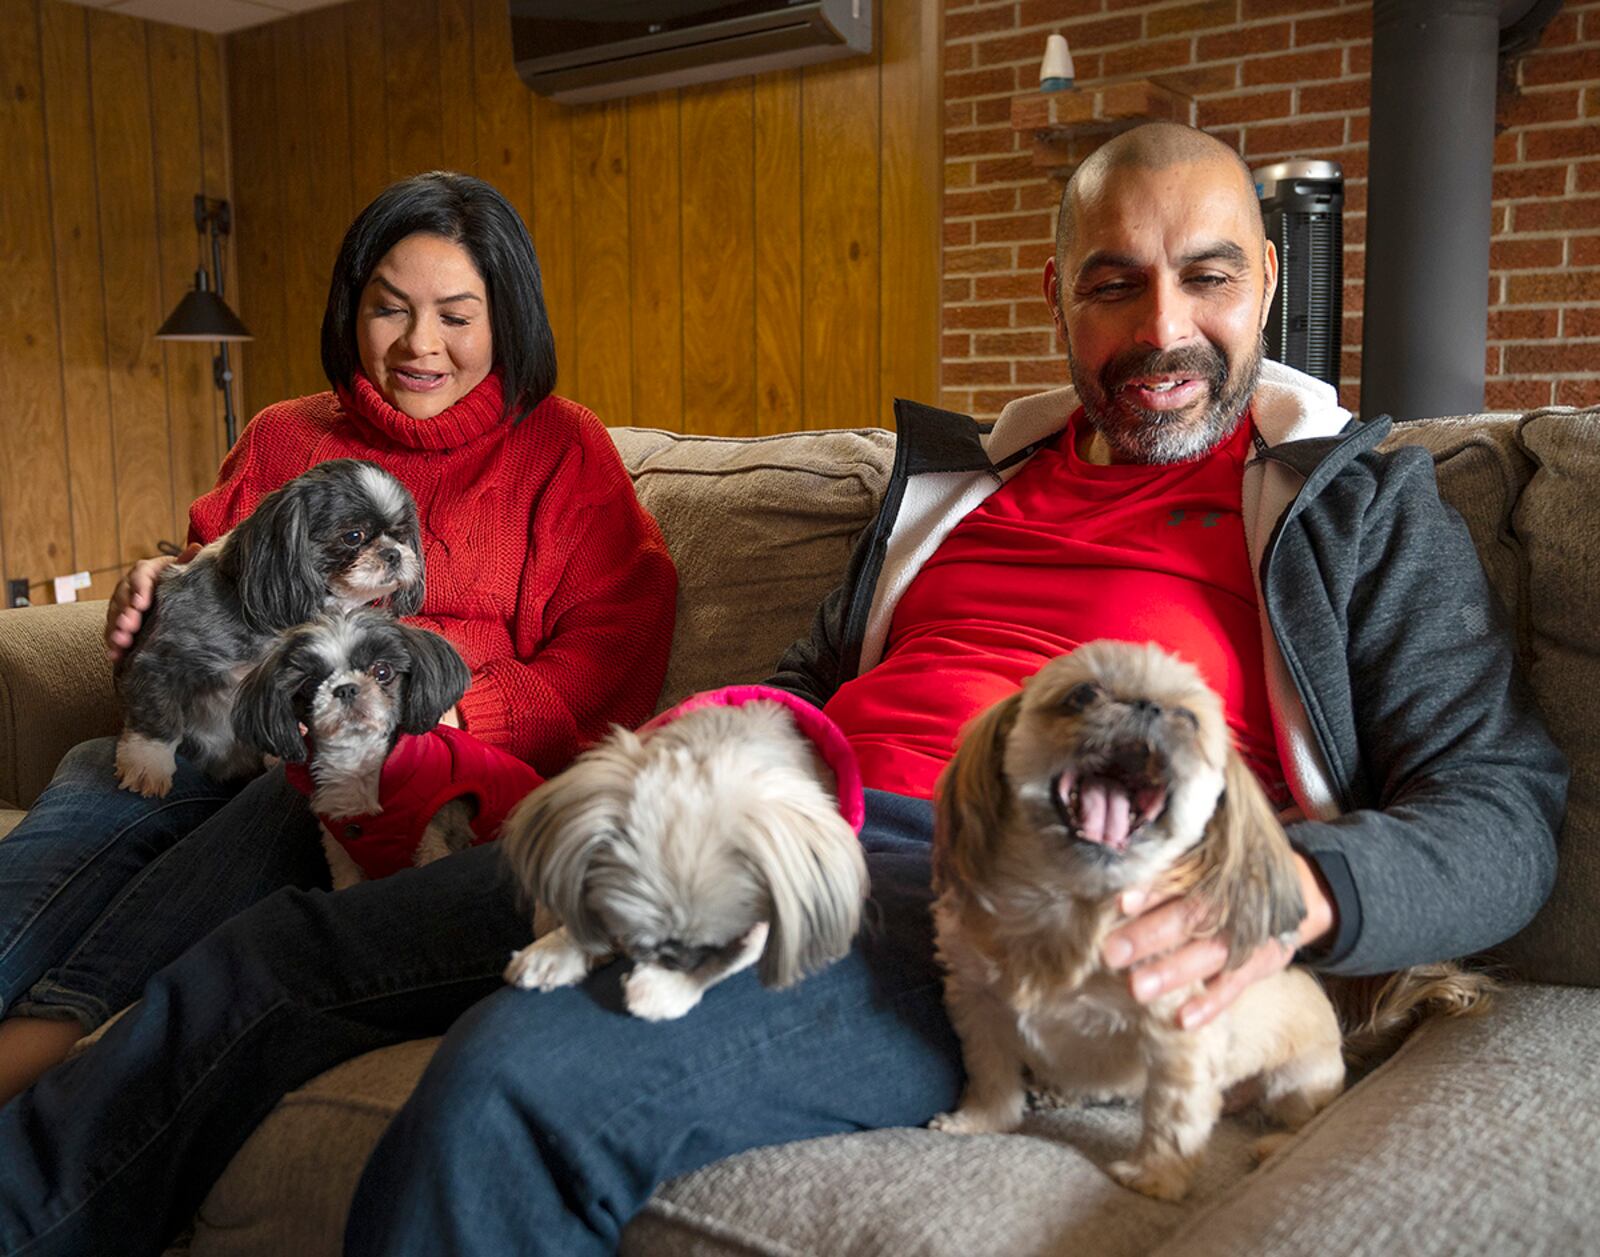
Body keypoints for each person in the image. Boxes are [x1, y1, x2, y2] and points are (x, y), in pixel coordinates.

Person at [0, 125, 1563, 1257]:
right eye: (1114, 283)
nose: (1163, 327)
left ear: (1266, 284)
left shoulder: (1356, 505)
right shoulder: (959, 490)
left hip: (956, 893)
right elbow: (818, 674)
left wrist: (1306, 891)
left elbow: (1505, 812)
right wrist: (686, 748)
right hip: (754, 808)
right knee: (270, 957)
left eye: (1205, 278)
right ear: (1057, 297)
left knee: (515, 1088)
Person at [0, 171, 676, 1107]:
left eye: (456, 314)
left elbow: (605, 662)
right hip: (226, 729)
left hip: (374, 754)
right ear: (352, 308)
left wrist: (423, 708)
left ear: (508, 318)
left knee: (314, 787)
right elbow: (212, 592)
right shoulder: (283, 436)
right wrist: (155, 602)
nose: (419, 344)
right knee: (92, 775)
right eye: (390, 309)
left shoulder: (564, 451)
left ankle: (39, 1044)